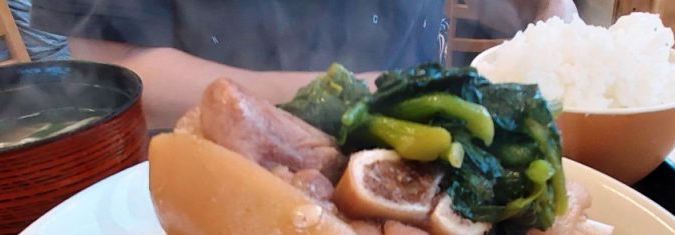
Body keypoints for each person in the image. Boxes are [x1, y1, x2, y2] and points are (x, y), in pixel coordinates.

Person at [30, 0, 578, 128]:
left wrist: (553, 19)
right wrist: (366, 95)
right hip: (218, 161)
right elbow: (117, 73)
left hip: (431, 153)